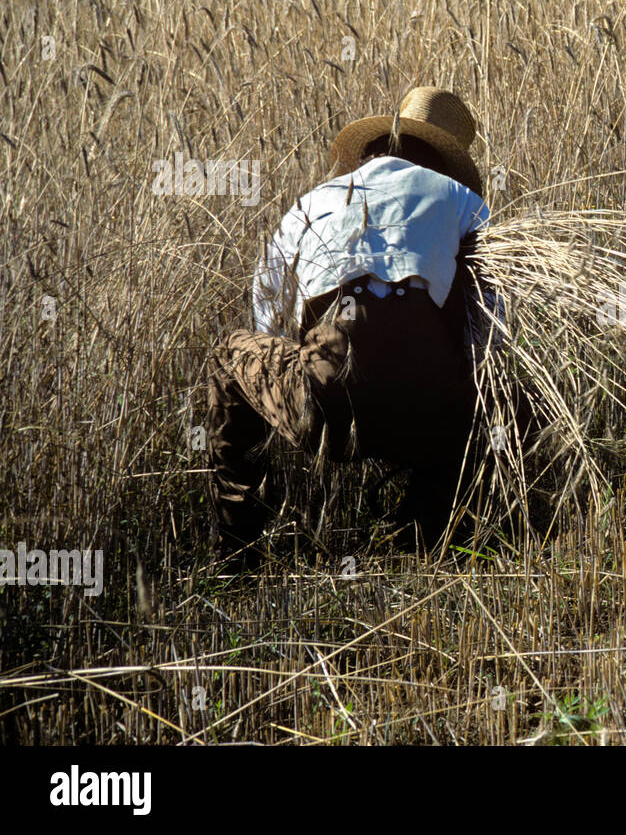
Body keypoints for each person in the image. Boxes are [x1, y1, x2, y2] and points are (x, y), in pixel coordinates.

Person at [205, 87, 496, 567]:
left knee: (227, 355)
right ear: (444, 161)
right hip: (429, 415)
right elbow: (489, 329)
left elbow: (268, 311)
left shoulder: (312, 202)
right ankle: (424, 536)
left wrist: (307, 372)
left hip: (326, 404)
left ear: (375, 146)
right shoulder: (464, 202)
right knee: (478, 392)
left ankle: (236, 554)